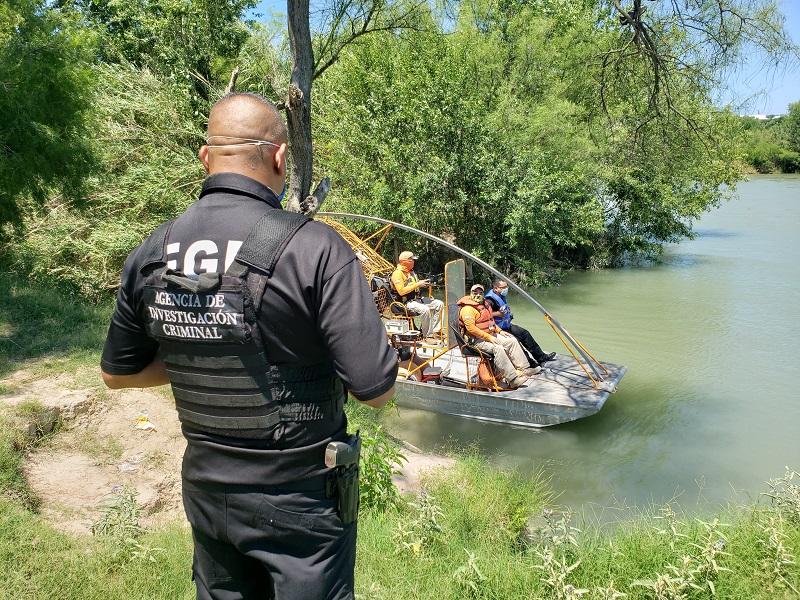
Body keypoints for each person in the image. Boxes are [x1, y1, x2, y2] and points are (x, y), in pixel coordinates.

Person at [99, 92, 398, 600]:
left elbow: (118, 374)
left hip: (208, 489)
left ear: (205, 156)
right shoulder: (315, 247)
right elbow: (376, 389)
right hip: (301, 498)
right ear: (280, 157)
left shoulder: (152, 250)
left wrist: (204, 348)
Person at [457, 284, 537, 388]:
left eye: (480, 293)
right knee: (498, 348)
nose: (478, 295)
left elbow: (491, 321)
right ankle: (513, 379)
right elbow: (471, 328)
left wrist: (499, 331)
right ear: (470, 293)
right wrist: (489, 337)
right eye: (475, 293)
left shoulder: (485, 304)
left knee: (511, 340)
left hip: (490, 334)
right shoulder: (467, 309)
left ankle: (525, 369)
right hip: (476, 341)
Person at [484, 279, 556, 368]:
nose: (506, 289)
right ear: (495, 288)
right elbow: (484, 314)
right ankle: (531, 364)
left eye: (507, 286)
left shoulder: (500, 295)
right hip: (498, 329)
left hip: (506, 325)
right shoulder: (489, 300)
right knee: (515, 342)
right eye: (503, 287)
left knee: (524, 333)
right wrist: (498, 314)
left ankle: (541, 357)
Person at [389, 250, 444, 340]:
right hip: (406, 302)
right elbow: (401, 291)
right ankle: (428, 336)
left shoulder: (411, 272)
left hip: (417, 299)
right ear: (405, 261)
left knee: (439, 304)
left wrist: (424, 284)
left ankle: (435, 331)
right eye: (412, 260)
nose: (414, 262)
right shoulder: (397, 274)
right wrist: (418, 284)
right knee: (425, 310)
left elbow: (415, 286)